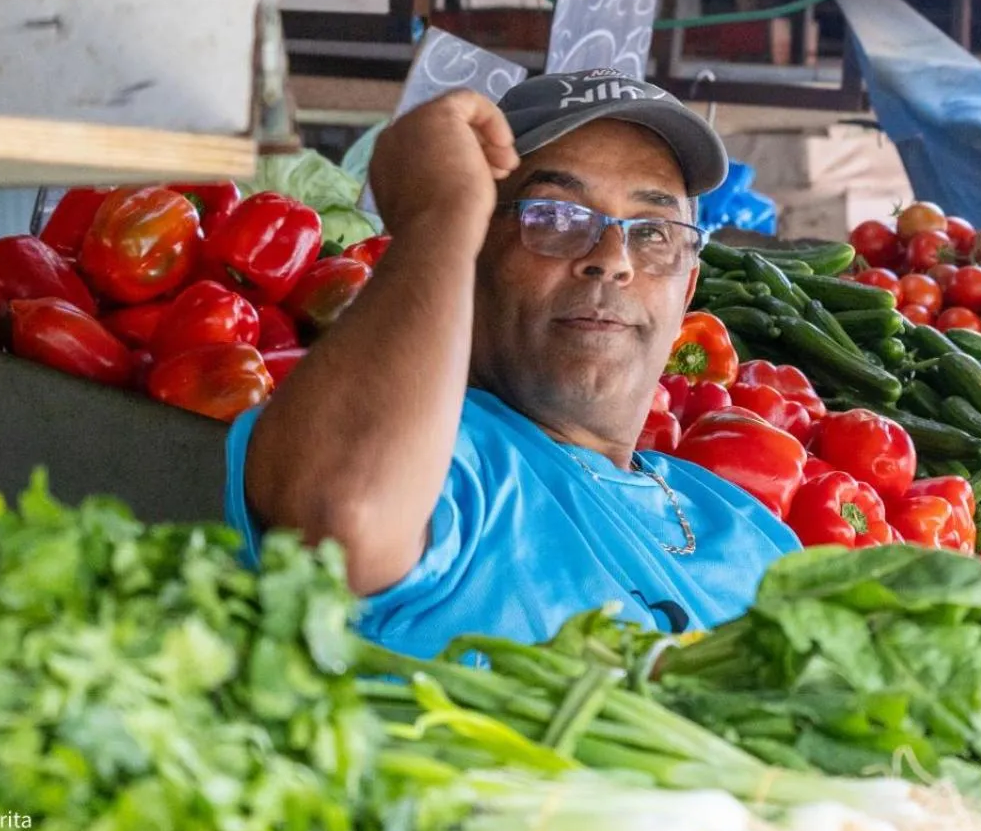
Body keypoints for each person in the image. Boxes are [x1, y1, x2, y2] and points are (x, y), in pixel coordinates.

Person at [225, 69, 800, 658]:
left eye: (653, 232)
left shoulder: (750, 532)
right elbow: (343, 516)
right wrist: (435, 217)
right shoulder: (439, 466)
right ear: (471, 253)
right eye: (554, 217)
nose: (612, 259)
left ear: (687, 291)